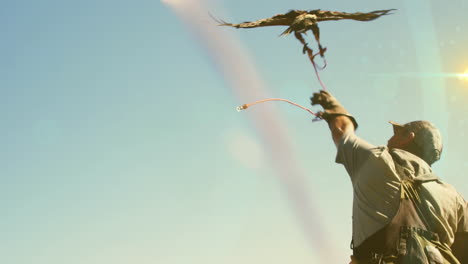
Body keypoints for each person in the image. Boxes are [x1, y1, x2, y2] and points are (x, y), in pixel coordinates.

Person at [310, 90, 468, 264]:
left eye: (397, 132)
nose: (390, 137)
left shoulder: (378, 161)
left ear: (409, 137)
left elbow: (342, 130)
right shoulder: (455, 198)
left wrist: (332, 105)